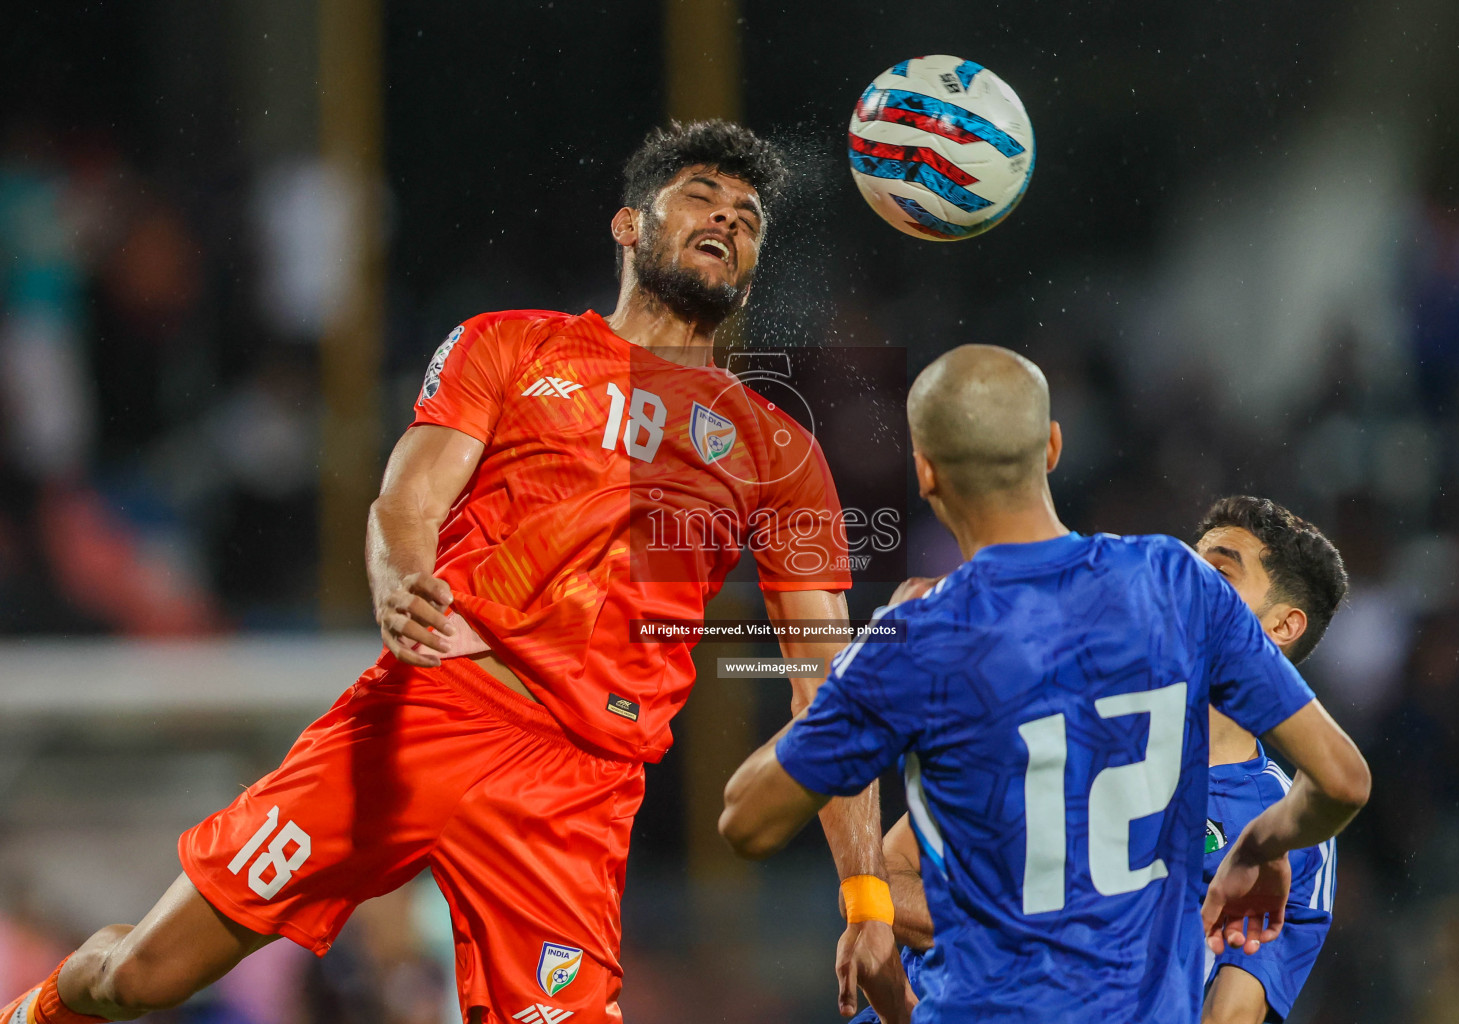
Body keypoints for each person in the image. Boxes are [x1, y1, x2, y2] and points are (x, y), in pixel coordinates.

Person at [2, 120, 904, 1024]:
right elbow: (407, 499)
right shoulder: (510, 346)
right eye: (702, 199)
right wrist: (397, 575)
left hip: (573, 791)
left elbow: (827, 687)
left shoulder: (774, 451)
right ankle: (37, 1010)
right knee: (143, 979)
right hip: (428, 713)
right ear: (629, 226)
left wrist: (865, 896)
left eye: (747, 216)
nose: (728, 222)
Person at [717, 345, 1372, 1024]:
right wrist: (1262, 847)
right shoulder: (1170, 586)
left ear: (925, 474)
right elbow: (1344, 780)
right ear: (1053, 447)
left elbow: (747, 820)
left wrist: (857, 675)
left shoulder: (934, 638)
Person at [851, 494, 1350, 1024]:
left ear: (1281, 627)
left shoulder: (1289, 827)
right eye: (1185, 567)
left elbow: (1226, 1018)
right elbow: (885, 870)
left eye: (1218, 576)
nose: (1183, 587)